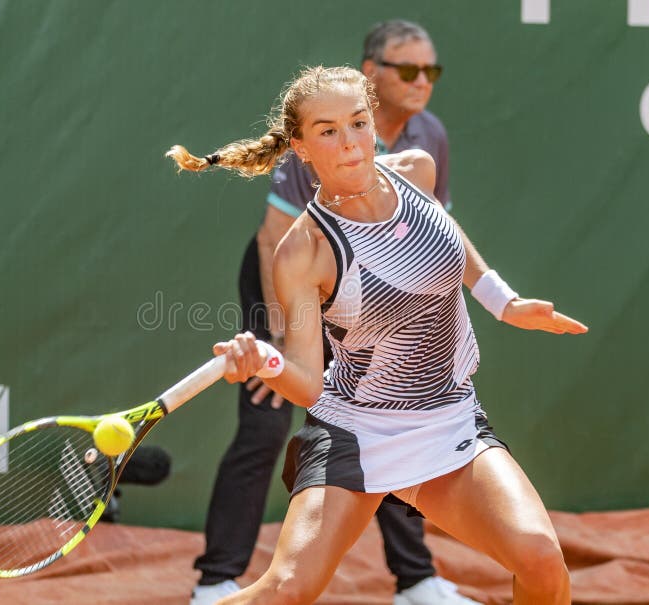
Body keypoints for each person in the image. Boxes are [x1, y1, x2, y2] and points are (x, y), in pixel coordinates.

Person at [167, 64, 587, 605]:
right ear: (300, 146)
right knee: (288, 589)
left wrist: (502, 301)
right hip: (356, 430)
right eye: (327, 131)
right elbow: (308, 384)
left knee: (541, 561)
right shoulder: (304, 251)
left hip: (448, 418)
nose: (350, 144)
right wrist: (264, 362)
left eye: (359, 123)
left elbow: (448, 237)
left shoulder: (416, 170)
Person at [190, 20, 479, 605]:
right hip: (294, 272)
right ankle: (217, 579)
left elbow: (433, 232)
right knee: (267, 418)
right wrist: (280, 346)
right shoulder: (321, 137)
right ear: (373, 74)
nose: (422, 81)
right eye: (407, 69)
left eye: (431, 70)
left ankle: (415, 578)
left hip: (380, 280)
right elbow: (277, 238)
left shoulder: (430, 138)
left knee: (390, 408)